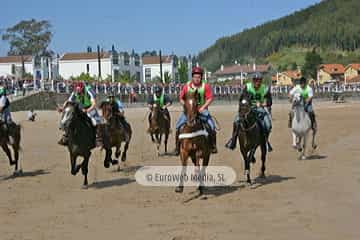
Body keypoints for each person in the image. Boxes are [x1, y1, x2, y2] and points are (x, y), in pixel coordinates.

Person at [172, 66, 217, 155]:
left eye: (199, 77)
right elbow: (181, 98)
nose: (197, 79)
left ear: (201, 77)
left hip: (201, 110)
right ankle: (177, 147)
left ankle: (213, 146)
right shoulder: (187, 86)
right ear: (192, 77)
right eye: (195, 77)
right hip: (189, 111)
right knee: (178, 126)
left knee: (212, 126)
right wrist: (186, 106)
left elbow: (210, 98)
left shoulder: (205, 86)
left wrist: (203, 107)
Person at [225, 73, 273, 151]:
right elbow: (242, 98)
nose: (257, 83)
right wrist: (247, 104)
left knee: (268, 124)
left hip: (260, 109)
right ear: (253, 81)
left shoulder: (265, 88)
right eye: (255, 80)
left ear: (261, 81)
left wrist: (261, 104)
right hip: (248, 109)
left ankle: (265, 142)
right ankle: (233, 141)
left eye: (259, 81)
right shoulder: (248, 87)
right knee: (236, 121)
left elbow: (269, 102)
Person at [58, 82, 104, 147]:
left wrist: (87, 110)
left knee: (95, 121)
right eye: (77, 91)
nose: (78, 93)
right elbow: (68, 102)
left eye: (79, 91)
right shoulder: (75, 92)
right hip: (80, 108)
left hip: (90, 108)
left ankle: (98, 138)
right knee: (69, 118)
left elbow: (94, 104)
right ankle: (66, 136)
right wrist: (62, 108)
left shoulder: (89, 91)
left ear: (83, 89)